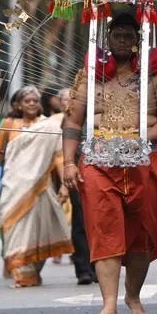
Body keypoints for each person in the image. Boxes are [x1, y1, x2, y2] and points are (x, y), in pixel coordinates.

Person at [62, 12, 157, 314]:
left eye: (129, 35)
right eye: (117, 35)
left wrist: (138, 143)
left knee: (142, 233)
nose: (123, 40)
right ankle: (109, 303)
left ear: (139, 40)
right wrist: (68, 163)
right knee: (104, 229)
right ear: (108, 39)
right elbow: (73, 122)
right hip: (98, 162)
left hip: (144, 161)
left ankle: (133, 297)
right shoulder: (90, 75)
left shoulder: (153, 76)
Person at [0, 86, 73, 287]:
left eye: (35, 100)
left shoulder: (48, 126)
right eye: (27, 101)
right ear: (17, 105)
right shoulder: (8, 124)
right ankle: (21, 272)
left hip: (39, 187)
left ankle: (33, 271)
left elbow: (58, 156)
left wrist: (65, 186)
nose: (33, 104)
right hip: (13, 186)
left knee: (38, 232)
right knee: (13, 228)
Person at [46, 88, 94, 284]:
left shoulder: (92, 117)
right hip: (74, 174)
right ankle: (83, 268)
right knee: (81, 219)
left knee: (100, 221)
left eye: (72, 99)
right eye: (65, 100)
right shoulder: (56, 122)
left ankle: (100, 267)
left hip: (99, 170)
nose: (68, 103)